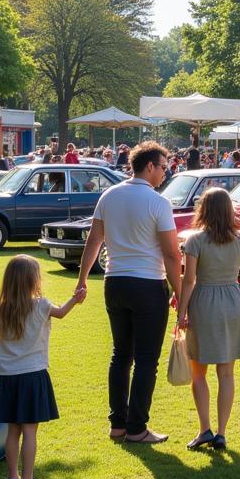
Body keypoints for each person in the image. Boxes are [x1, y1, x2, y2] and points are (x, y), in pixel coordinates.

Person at [77, 142, 181, 444]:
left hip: (115, 283)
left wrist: (82, 279)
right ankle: (137, 427)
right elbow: (172, 254)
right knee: (146, 359)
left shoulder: (109, 195)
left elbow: (94, 240)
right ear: (149, 166)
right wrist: (179, 291)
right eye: (163, 166)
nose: (165, 172)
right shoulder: (157, 202)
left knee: (121, 355)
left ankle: (118, 424)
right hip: (148, 284)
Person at [0, 255, 84, 479]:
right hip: (33, 376)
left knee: (13, 431)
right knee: (29, 431)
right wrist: (75, 299)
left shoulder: (0, 309)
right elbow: (62, 313)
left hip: (7, 378)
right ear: (32, 280)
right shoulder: (42, 305)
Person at [178, 188, 240, 450]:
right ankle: (221, 433)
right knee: (226, 374)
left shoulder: (195, 240)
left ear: (203, 210)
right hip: (232, 301)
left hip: (204, 302)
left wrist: (182, 313)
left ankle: (204, 429)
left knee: (199, 373)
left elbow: (190, 280)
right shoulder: (238, 238)